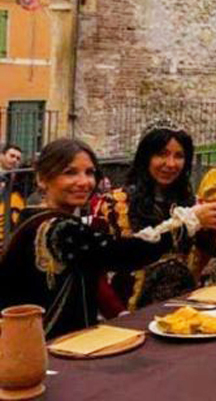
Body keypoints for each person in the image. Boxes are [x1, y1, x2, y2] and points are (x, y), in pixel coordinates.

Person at [0, 139, 205, 338]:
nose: (84, 182)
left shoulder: (34, 217)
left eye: (90, 172)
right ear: (42, 179)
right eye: (70, 172)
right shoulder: (58, 227)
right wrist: (189, 222)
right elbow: (124, 253)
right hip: (48, 347)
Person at [92, 124, 216, 312]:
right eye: (162, 154)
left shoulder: (193, 204)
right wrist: (118, 313)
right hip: (131, 312)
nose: (170, 164)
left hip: (184, 310)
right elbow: (96, 269)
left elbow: (213, 249)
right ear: (146, 157)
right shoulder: (113, 205)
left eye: (179, 156)